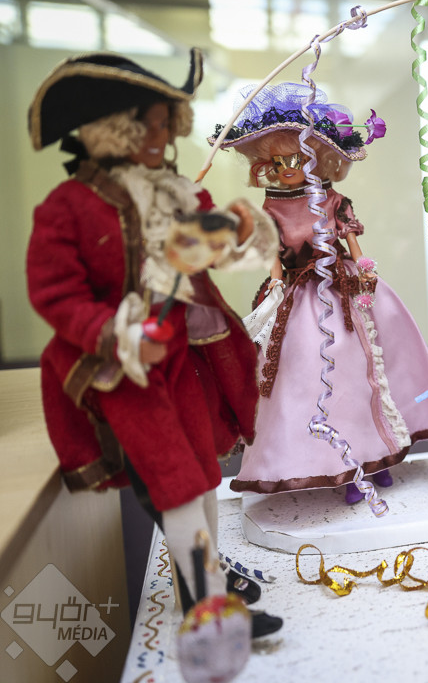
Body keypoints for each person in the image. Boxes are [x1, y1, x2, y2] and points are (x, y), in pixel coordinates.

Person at [26, 51, 283, 635]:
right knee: (176, 481)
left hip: (179, 358)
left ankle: (208, 582)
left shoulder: (173, 193)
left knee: (201, 474)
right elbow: (55, 295)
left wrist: (238, 231)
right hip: (120, 372)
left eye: (168, 124)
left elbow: (206, 250)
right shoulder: (67, 207)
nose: (164, 137)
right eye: (152, 124)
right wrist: (117, 333)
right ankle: (208, 608)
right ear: (116, 129)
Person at [212, 83, 428, 503]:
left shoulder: (332, 200)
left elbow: (354, 244)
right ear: (267, 164)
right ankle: (340, 464)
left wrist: (365, 270)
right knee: (312, 379)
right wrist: (275, 282)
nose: (288, 168)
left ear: (316, 158)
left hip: (343, 288)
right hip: (299, 294)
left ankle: (380, 457)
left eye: (297, 158)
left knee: (368, 371)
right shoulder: (272, 206)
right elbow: (273, 251)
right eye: (279, 161)